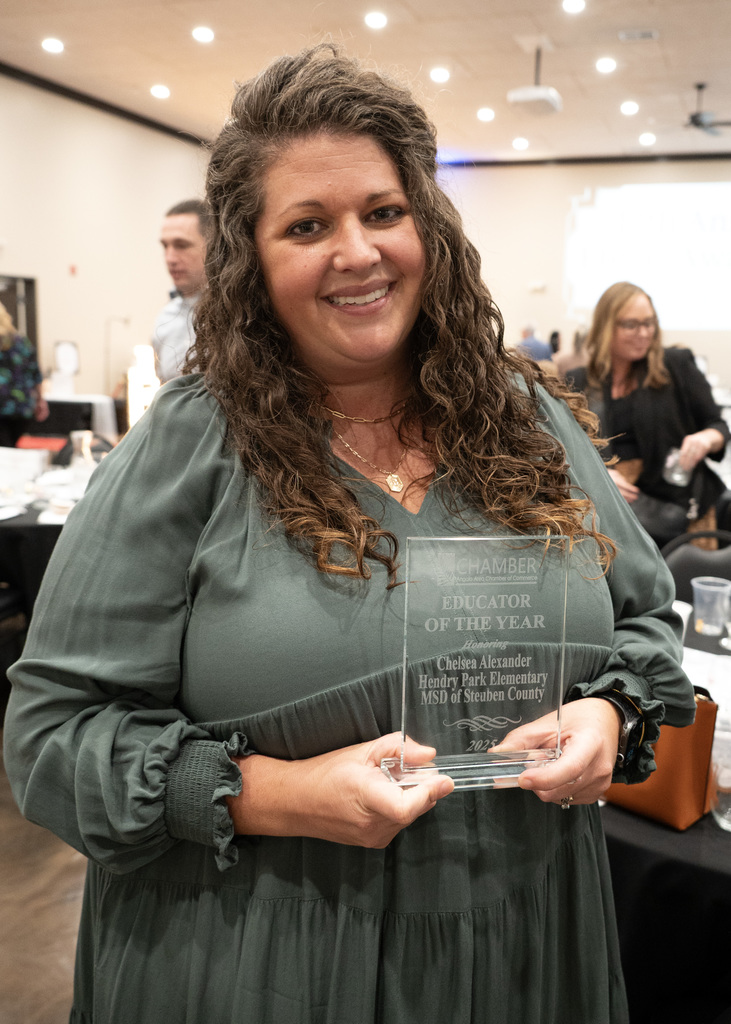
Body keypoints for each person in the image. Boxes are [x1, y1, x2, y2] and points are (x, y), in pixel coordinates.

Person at [4, 46, 695, 1024]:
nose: (356, 251)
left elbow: (641, 620)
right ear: (252, 257)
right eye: (306, 225)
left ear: (427, 227)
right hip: (262, 954)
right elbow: (52, 735)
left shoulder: (527, 426)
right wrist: (268, 792)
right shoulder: (191, 444)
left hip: (527, 941)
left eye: (381, 212)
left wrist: (609, 717)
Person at [566, 281, 729, 548]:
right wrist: (600, 478)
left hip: (679, 508)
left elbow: (718, 426)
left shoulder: (675, 366)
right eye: (631, 325)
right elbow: (569, 450)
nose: (644, 333)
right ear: (606, 327)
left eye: (649, 323)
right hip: (612, 515)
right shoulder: (579, 382)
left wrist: (705, 439)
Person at [152, 198, 210, 382]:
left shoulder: (240, 314)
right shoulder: (165, 320)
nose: (170, 258)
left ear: (213, 246)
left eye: (181, 245)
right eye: (165, 246)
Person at [0, 300, 49, 448]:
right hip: (22, 406)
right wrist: (40, 400)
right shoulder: (22, 342)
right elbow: (36, 374)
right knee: (11, 446)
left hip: (2, 405)